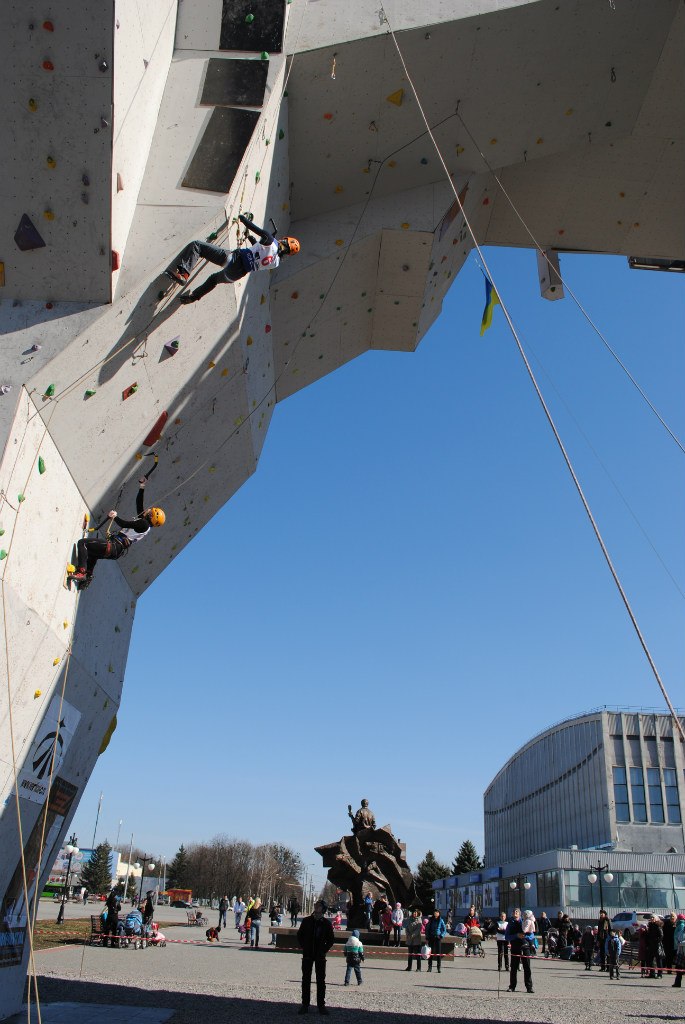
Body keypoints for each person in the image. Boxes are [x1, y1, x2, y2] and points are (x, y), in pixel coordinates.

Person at [69, 462, 164, 584]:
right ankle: (88, 577)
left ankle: (81, 573)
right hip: (116, 549)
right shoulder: (145, 524)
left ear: (151, 516)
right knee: (93, 553)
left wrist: (115, 517)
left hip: (115, 546)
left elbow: (125, 524)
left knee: (83, 544)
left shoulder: (144, 525)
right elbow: (139, 504)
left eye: (150, 511)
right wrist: (142, 485)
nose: (148, 510)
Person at [169, 215, 300, 304]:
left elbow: (254, 228)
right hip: (235, 275)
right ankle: (193, 297)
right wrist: (252, 240)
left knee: (198, 246)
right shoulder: (275, 262)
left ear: (284, 240)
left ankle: (183, 273)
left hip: (233, 259)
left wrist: (243, 219)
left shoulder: (270, 240)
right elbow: (259, 255)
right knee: (213, 280)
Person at [297, 899, 334, 1015]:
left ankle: (321, 1005)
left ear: (323, 909)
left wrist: (323, 950)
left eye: (318, 906)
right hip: (308, 954)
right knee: (306, 980)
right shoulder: (307, 921)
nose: (316, 908)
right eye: (315, 906)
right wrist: (305, 947)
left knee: (321, 981)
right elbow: (300, 935)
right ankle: (305, 1004)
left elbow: (331, 940)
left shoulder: (327, 924)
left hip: (320, 956)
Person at [506, 908, 533, 993]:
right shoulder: (510, 924)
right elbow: (507, 937)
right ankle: (512, 986)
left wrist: (525, 937)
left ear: (520, 914)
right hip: (515, 946)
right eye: (514, 911)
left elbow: (531, 935)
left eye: (517, 911)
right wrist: (516, 935)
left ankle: (529, 987)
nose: (515, 912)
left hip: (525, 946)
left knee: (527, 967)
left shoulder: (525, 921)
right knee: (513, 967)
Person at [425, 908, 446, 973]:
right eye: (435, 912)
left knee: (438, 953)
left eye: (437, 912)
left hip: (438, 938)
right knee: (430, 953)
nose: (436, 913)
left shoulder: (441, 920)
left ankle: (438, 967)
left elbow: (444, 930)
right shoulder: (431, 920)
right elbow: (427, 928)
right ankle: (430, 967)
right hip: (431, 937)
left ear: (439, 913)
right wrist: (427, 937)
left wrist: (441, 936)